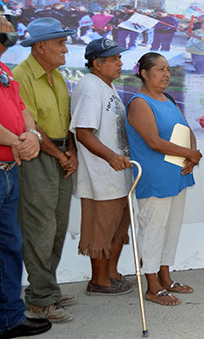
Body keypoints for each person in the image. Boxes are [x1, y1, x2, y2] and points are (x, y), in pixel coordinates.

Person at [13, 17, 78, 323]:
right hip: (38, 154)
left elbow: (67, 119)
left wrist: (72, 151)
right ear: (40, 46)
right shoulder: (21, 76)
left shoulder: (58, 76)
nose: (66, 49)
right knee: (40, 227)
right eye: (59, 43)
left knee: (58, 225)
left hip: (60, 152)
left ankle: (47, 289)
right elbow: (31, 127)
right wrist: (61, 155)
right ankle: (39, 298)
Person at [126, 53, 202, 306]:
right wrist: (190, 154)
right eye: (159, 69)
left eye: (168, 69)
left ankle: (166, 278)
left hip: (178, 175)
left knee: (171, 229)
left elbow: (186, 129)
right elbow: (153, 142)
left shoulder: (168, 99)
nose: (166, 74)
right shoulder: (139, 102)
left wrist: (191, 155)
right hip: (155, 178)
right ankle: (152, 286)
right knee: (153, 230)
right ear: (144, 73)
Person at [70, 38, 135, 296]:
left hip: (119, 175)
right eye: (113, 59)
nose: (120, 63)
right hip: (101, 176)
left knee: (117, 228)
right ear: (96, 64)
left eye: (120, 58)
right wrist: (110, 157)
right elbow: (83, 133)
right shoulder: (90, 86)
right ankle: (98, 280)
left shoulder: (106, 87)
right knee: (101, 230)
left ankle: (111, 273)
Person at [0, 15, 52, 338]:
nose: (10, 33)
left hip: (8, 172)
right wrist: (18, 140)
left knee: (10, 247)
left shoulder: (4, 70)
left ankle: (9, 317)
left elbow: (22, 109)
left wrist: (31, 134)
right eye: (5, 28)